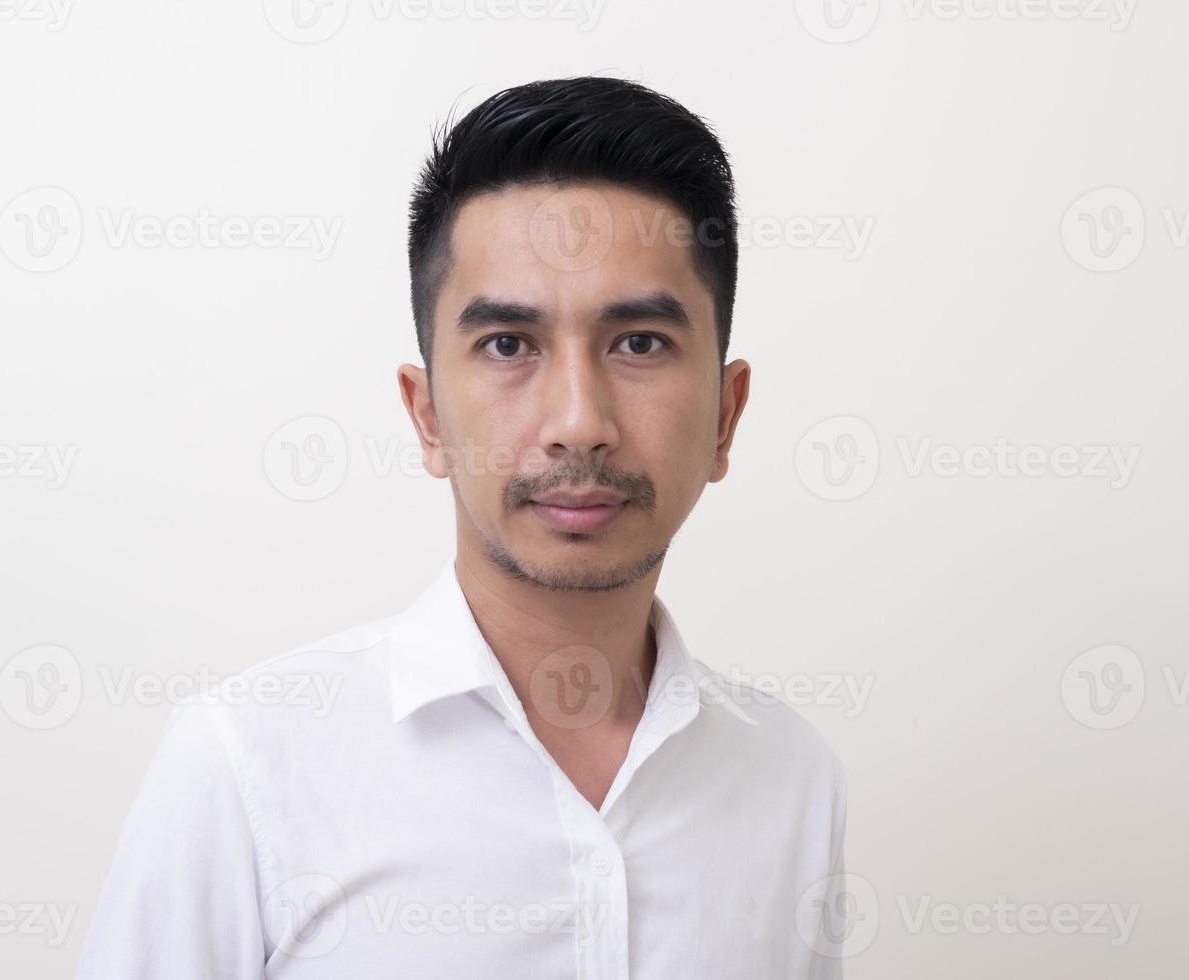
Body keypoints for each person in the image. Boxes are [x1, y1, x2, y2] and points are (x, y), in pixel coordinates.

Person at [76, 76, 848, 979]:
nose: (577, 420)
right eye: (508, 345)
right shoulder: (246, 767)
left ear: (724, 414)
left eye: (637, 341)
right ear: (427, 415)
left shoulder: (791, 778)